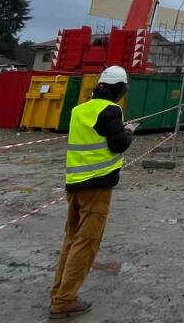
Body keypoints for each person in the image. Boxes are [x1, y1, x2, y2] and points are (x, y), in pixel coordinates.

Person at [50, 65, 137, 319]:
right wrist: (128, 132)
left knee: (71, 239)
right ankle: (64, 300)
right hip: (97, 186)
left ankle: (58, 292)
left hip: (75, 184)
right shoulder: (111, 110)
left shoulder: (79, 110)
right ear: (119, 89)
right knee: (87, 243)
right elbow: (118, 144)